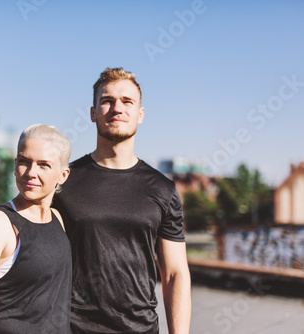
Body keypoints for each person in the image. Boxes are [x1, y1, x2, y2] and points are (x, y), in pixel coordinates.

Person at [52, 67, 191, 334]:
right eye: (107, 101)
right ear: (93, 113)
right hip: (71, 328)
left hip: (140, 328)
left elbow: (175, 274)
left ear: (140, 114)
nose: (118, 108)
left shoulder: (163, 189)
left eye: (127, 101)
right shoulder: (63, 181)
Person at [0, 124, 72, 334]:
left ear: (62, 175)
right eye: (24, 162)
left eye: (43, 165)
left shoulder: (57, 218)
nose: (31, 173)